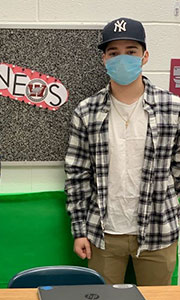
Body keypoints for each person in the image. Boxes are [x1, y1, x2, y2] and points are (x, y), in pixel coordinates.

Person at [64, 17, 180, 286]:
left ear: (145, 56)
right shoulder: (87, 111)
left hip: (158, 233)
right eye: (113, 53)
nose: (122, 59)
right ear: (104, 59)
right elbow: (77, 176)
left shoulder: (172, 108)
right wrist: (79, 230)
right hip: (103, 234)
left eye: (131, 51)